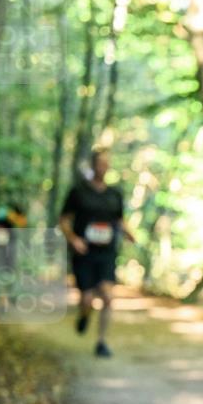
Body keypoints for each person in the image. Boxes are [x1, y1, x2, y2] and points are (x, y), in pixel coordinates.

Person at [59, 150, 134, 358]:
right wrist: (73, 239)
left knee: (108, 297)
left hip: (107, 253)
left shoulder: (114, 194)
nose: (103, 167)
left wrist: (128, 233)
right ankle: (84, 315)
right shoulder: (78, 192)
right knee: (87, 299)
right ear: (93, 165)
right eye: (100, 163)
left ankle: (102, 342)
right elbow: (64, 220)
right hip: (84, 252)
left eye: (106, 163)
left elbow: (119, 220)